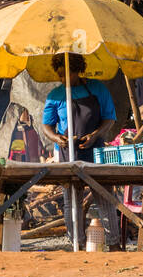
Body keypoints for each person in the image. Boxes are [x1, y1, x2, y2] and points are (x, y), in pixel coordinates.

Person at [41, 53, 118, 247]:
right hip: (68, 153)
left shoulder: (98, 89)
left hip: (95, 151)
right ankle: (77, 242)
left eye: (67, 74)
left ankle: (114, 242)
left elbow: (109, 118)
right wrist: (58, 138)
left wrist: (95, 135)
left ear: (78, 70)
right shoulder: (55, 95)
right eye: (60, 75)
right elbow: (47, 126)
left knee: (104, 197)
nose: (63, 79)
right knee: (71, 199)